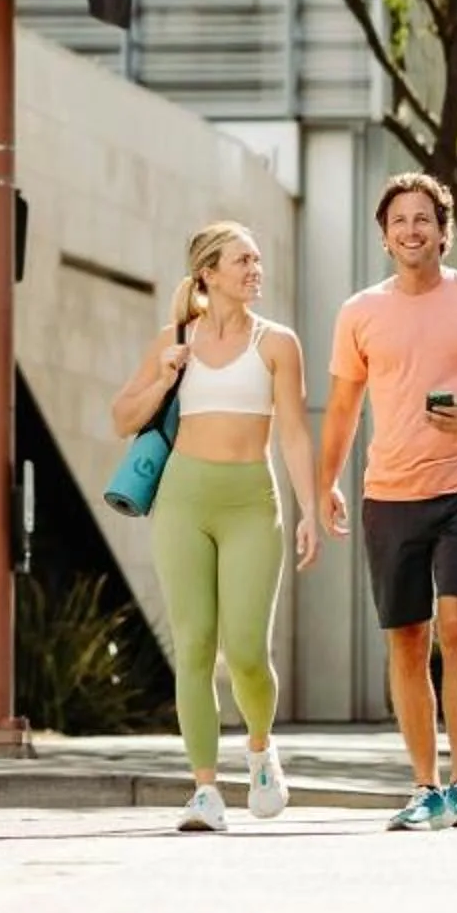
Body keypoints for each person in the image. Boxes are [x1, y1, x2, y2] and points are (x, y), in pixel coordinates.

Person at [314, 170, 457, 832]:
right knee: (407, 641)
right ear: (385, 236)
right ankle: (424, 786)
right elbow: (344, 408)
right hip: (390, 494)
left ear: (445, 233)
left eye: (424, 220)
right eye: (399, 221)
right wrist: (325, 482)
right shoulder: (360, 312)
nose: (412, 230)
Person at [109, 220, 321, 833]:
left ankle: (260, 751)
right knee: (195, 645)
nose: (255, 270)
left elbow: (294, 435)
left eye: (258, 260)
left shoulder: (278, 342)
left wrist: (309, 508)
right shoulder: (175, 338)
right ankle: (204, 790)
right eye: (242, 261)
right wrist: (162, 375)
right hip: (182, 501)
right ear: (208, 272)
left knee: (248, 651)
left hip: (252, 502)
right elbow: (122, 416)